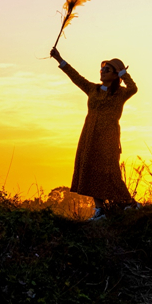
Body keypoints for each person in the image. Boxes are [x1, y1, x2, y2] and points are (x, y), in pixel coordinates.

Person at [50, 46, 137, 220]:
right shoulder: (93, 89)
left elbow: (133, 88)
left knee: (110, 171)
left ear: (115, 74)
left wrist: (123, 74)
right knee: (89, 170)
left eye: (107, 69)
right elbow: (76, 77)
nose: (102, 71)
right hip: (89, 136)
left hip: (109, 138)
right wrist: (59, 59)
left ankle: (129, 203)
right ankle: (100, 210)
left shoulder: (121, 93)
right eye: (102, 69)